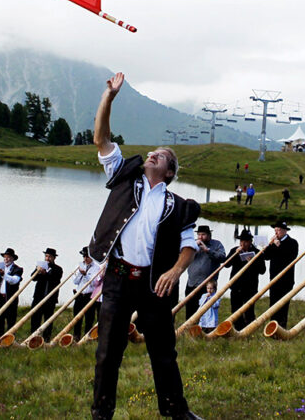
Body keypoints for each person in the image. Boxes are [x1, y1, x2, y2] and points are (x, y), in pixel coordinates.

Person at [90, 71, 201, 419]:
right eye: (152, 152)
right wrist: (109, 98)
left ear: (169, 172)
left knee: (164, 351)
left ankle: (176, 410)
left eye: (161, 155)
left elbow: (188, 246)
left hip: (154, 285)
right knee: (108, 351)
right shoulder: (124, 177)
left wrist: (176, 270)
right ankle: (101, 414)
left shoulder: (178, 206)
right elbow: (101, 138)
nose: (152, 154)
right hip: (119, 279)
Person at [183, 225, 226, 321]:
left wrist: (208, 250)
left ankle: (206, 330)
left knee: (207, 311)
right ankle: (189, 330)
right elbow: (180, 254)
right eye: (198, 235)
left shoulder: (217, 244)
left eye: (203, 235)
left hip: (208, 285)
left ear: (209, 235)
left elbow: (223, 257)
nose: (200, 237)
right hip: (192, 282)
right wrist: (192, 248)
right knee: (190, 309)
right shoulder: (192, 244)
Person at [260, 221, 299, 329]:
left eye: (279, 230)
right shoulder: (274, 243)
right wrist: (269, 245)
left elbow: (290, 257)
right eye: (275, 230)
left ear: (285, 231)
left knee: (283, 304)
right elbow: (266, 256)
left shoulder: (293, 243)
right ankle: (272, 326)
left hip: (286, 279)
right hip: (274, 278)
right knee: (273, 303)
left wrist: (278, 245)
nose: (276, 232)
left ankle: (282, 327)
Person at [226, 231, 265, 329]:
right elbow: (226, 264)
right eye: (241, 241)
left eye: (245, 241)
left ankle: (249, 329)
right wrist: (235, 254)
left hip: (250, 287)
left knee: (249, 310)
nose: (242, 244)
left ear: (250, 242)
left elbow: (262, 270)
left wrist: (252, 262)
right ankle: (238, 329)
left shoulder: (257, 252)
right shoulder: (234, 250)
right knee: (235, 309)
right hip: (236, 286)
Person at [30, 248, 64, 340]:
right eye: (46, 256)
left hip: (50, 299)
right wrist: (38, 271)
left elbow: (55, 278)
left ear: (54, 258)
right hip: (38, 298)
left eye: (50, 257)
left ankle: (46, 340)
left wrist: (45, 273)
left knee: (48, 320)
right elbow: (33, 278)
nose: (47, 258)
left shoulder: (58, 269)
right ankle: (33, 338)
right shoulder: (40, 266)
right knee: (35, 319)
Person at [0, 248, 23, 337]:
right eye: (5, 257)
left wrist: (3, 274)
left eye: (8, 257)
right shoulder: (0, 268)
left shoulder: (18, 269)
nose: (6, 259)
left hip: (10, 299)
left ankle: (10, 339)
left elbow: (14, 280)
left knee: (10, 320)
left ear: (13, 258)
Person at [72, 247, 99, 338]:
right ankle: (76, 337)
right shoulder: (78, 266)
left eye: (87, 256)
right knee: (76, 318)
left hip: (89, 295)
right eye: (84, 256)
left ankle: (87, 337)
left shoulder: (96, 268)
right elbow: (75, 282)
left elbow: (95, 283)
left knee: (89, 318)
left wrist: (86, 275)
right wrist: (80, 273)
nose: (85, 258)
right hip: (80, 294)